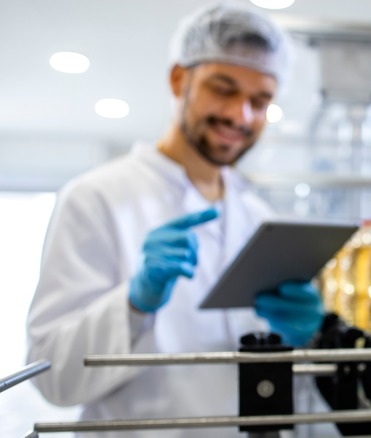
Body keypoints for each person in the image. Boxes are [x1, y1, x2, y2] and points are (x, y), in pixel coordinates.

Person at [26, 2, 334, 437]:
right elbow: (51, 378)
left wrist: (306, 339)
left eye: (259, 101)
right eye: (223, 89)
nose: (239, 115)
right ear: (178, 80)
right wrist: (133, 304)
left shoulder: (257, 216)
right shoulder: (95, 198)